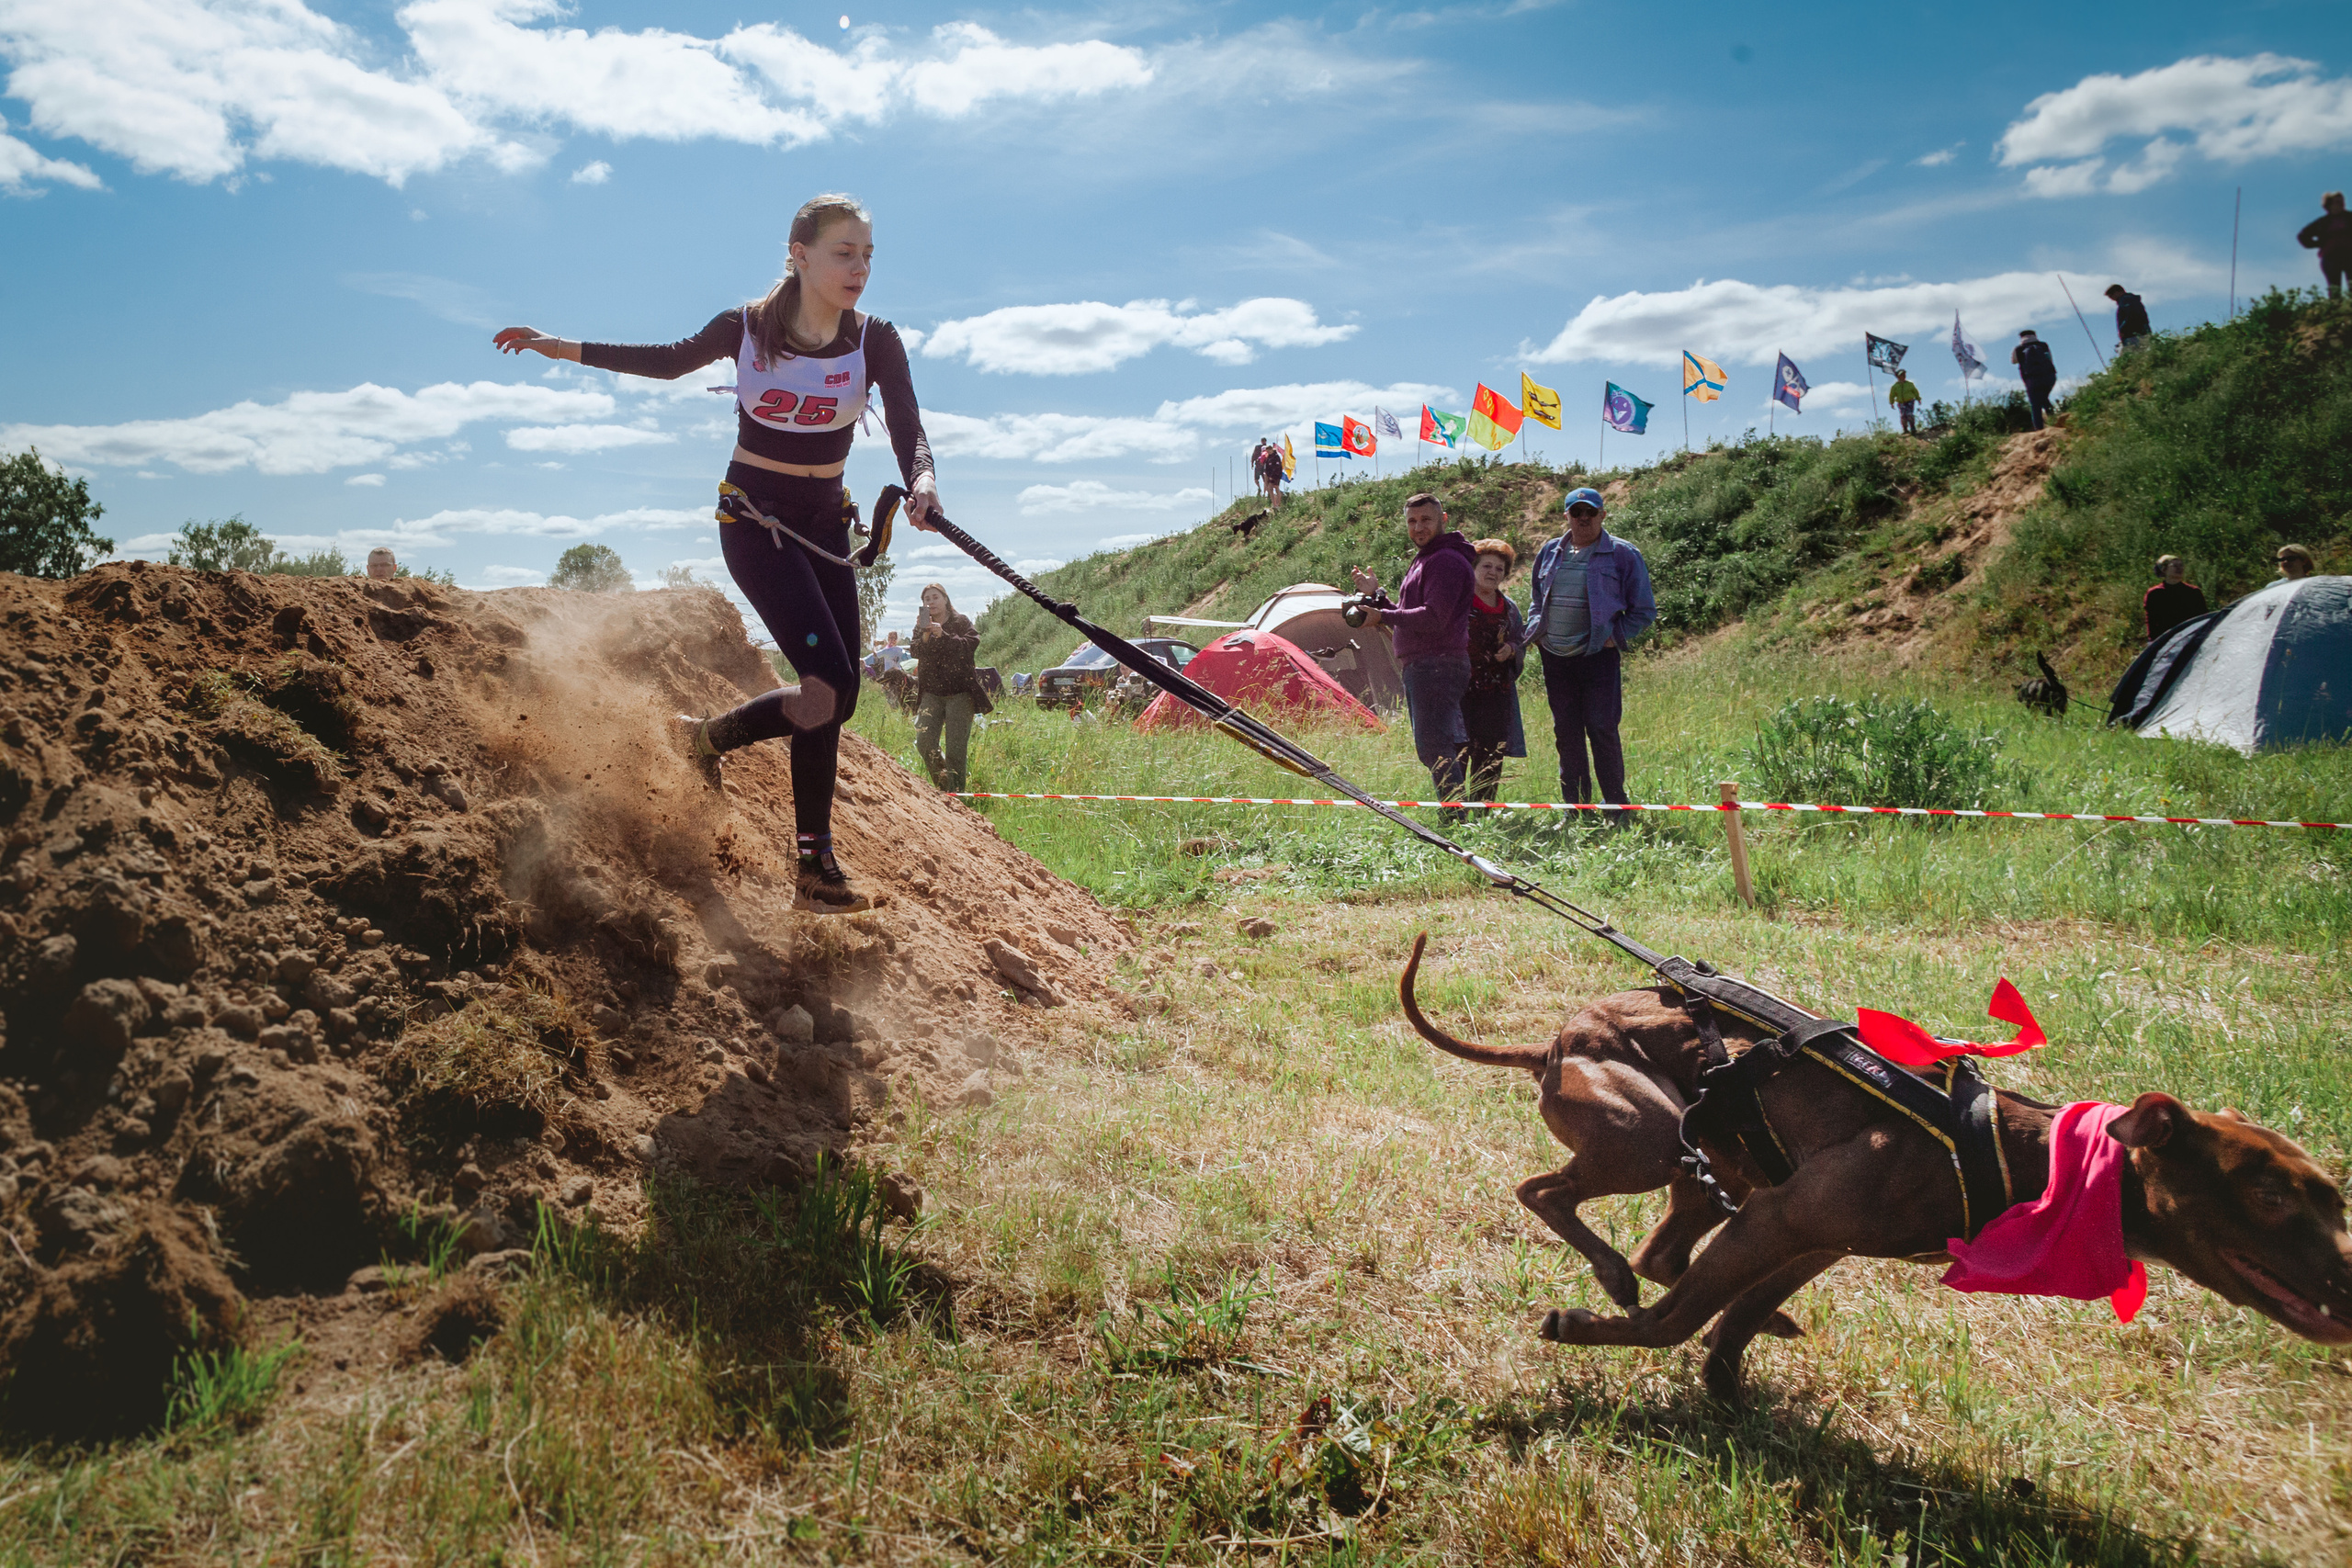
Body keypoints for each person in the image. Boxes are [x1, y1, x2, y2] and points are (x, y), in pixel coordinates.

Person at [492, 192, 939, 914]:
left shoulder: (874, 339)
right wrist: (562, 345)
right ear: (798, 255)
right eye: (843, 253)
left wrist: (921, 480)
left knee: (839, 697)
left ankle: (702, 741)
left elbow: (909, 428)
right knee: (823, 680)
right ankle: (814, 869)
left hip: (826, 525)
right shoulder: (748, 328)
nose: (859, 268)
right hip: (754, 521)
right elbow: (668, 362)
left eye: (867, 255)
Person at [1522, 487, 1656, 826]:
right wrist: (1538, 630)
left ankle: (1617, 807)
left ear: (1603, 515)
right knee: (1566, 732)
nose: (1583, 518)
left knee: (1601, 728)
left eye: (1590, 513)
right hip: (1556, 658)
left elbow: (1643, 610)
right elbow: (1537, 598)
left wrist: (1615, 638)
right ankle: (1576, 810)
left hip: (1597, 656)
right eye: (1576, 512)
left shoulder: (1623, 554)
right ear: (1565, 516)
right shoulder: (1550, 551)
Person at [1348, 493, 1477, 802]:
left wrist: (1381, 615)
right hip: (1429, 663)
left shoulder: (1443, 559)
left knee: (1433, 746)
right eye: (1412, 521)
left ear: (1443, 520)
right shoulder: (1428, 557)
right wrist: (1377, 597)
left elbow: (1434, 618)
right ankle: (1457, 813)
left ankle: (1456, 815)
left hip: (1436, 664)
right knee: (1441, 744)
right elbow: (1410, 619)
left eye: (1426, 520)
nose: (1419, 527)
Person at [1463, 539, 1529, 804]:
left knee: (1491, 754)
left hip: (1496, 693)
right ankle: (1455, 811)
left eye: (1499, 569)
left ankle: (1483, 811)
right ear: (1473, 567)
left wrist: (1512, 649)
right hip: (1461, 690)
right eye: (1486, 566)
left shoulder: (1509, 607)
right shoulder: (1459, 602)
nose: (1492, 572)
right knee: (1459, 752)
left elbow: (1520, 639)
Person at [910, 582, 989, 792]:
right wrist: (926, 633)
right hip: (931, 692)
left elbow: (969, 645)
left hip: (960, 692)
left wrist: (942, 634)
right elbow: (915, 652)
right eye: (927, 599)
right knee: (924, 741)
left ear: (945, 599)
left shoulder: (960, 621)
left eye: (935, 597)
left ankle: (956, 798)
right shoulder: (921, 625)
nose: (931, 602)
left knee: (956, 749)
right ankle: (945, 786)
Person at [2297, 191, 2352, 300]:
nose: (2341, 204)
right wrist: (2318, 244)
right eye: (2337, 202)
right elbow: (2303, 236)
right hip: (2331, 257)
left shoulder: (2349, 217)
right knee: (2334, 288)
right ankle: (2337, 312)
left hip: (2350, 255)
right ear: (2329, 205)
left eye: (2342, 202)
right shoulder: (2323, 222)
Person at [2143, 555, 2207, 643]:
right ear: (2164, 569)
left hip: (2191, 639)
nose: (2179, 568)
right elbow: (2151, 622)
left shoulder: (2193, 592)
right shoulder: (2155, 594)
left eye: (2181, 565)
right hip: (2165, 641)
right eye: (2175, 566)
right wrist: (2153, 643)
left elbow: (2203, 618)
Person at [2010, 330, 2057, 431]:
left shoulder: (2019, 349)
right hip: (2049, 377)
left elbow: (2013, 361)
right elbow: (2050, 360)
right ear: (2035, 335)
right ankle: (2055, 421)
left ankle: (2039, 429)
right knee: (2044, 398)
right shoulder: (2043, 345)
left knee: (2035, 404)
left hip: (2031, 380)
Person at [2105, 284, 2151, 351]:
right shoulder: (2131, 300)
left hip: (2133, 335)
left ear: (2118, 292)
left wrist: (2123, 330)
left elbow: (2132, 315)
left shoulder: (2126, 300)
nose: (2112, 299)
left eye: (2111, 295)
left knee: (2134, 357)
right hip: (2142, 333)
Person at [1887, 368, 1922, 434]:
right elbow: (1892, 395)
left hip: (1910, 401)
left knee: (1909, 414)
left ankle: (1912, 427)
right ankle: (1905, 429)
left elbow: (1915, 392)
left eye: (1904, 375)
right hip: (1901, 402)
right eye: (1901, 375)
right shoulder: (1895, 386)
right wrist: (1891, 403)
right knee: (1903, 416)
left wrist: (1918, 399)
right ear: (1897, 377)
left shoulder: (1909, 384)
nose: (1903, 376)